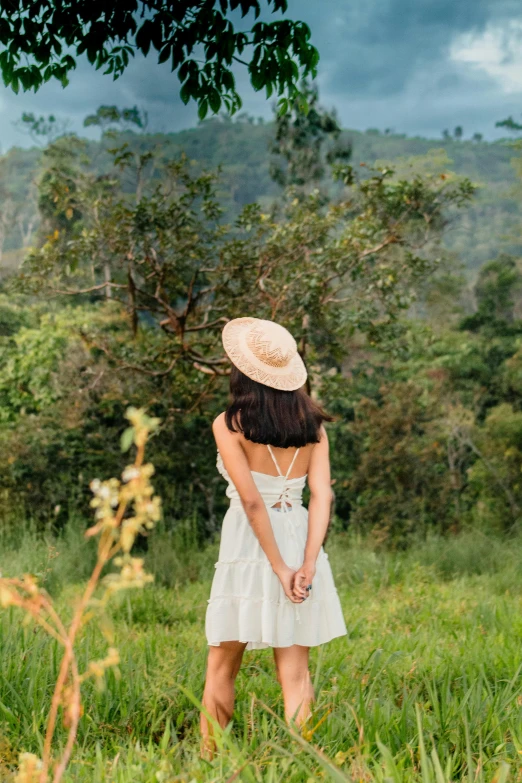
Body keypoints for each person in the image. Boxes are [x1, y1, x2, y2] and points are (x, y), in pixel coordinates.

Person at [201, 317, 347, 756]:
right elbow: (322, 495)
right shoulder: (314, 425)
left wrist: (278, 566)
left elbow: (250, 503)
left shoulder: (229, 424)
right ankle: (303, 762)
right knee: (295, 671)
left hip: (248, 544)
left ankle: (210, 760)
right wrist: (307, 562)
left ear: (241, 371)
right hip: (299, 532)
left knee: (222, 663)